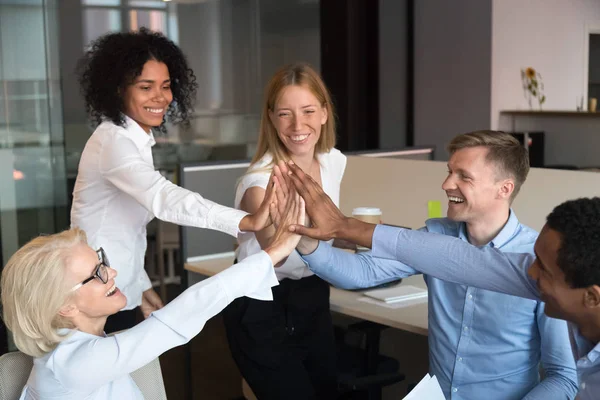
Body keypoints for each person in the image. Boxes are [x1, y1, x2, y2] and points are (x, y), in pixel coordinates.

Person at [292, 131, 578, 399]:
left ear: (504, 189)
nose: (446, 184)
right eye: (449, 172)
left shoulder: (541, 263)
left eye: (463, 176)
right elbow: (360, 272)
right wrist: (303, 238)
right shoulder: (435, 235)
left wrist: (345, 227)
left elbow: (563, 376)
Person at [0, 187, 305, 400]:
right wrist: (272, 253)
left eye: (102, 261)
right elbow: (179, 317)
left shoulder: (76, 350)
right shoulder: (74, 365)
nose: (112, 273)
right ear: (64, 306)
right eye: (96, 274)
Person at [72, 28, 275, 333]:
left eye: (166, 86)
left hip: (114, 287)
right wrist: (245, 221)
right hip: (93, 294)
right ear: (118, 89)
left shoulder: (134, 139)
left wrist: (140, 284)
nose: (160, 97)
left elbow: (125, 231)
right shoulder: (114, 142)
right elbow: (163, 197)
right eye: (146, 87)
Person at [222, 63, 346, 400]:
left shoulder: (333, 161)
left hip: (313, 296)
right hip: (261, 303)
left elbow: (330, 230)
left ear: (324, 112)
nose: (297, 125)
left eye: (308, 111)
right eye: (285, 114)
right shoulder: (259, 184)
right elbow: (275, 256)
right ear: (272, 118)